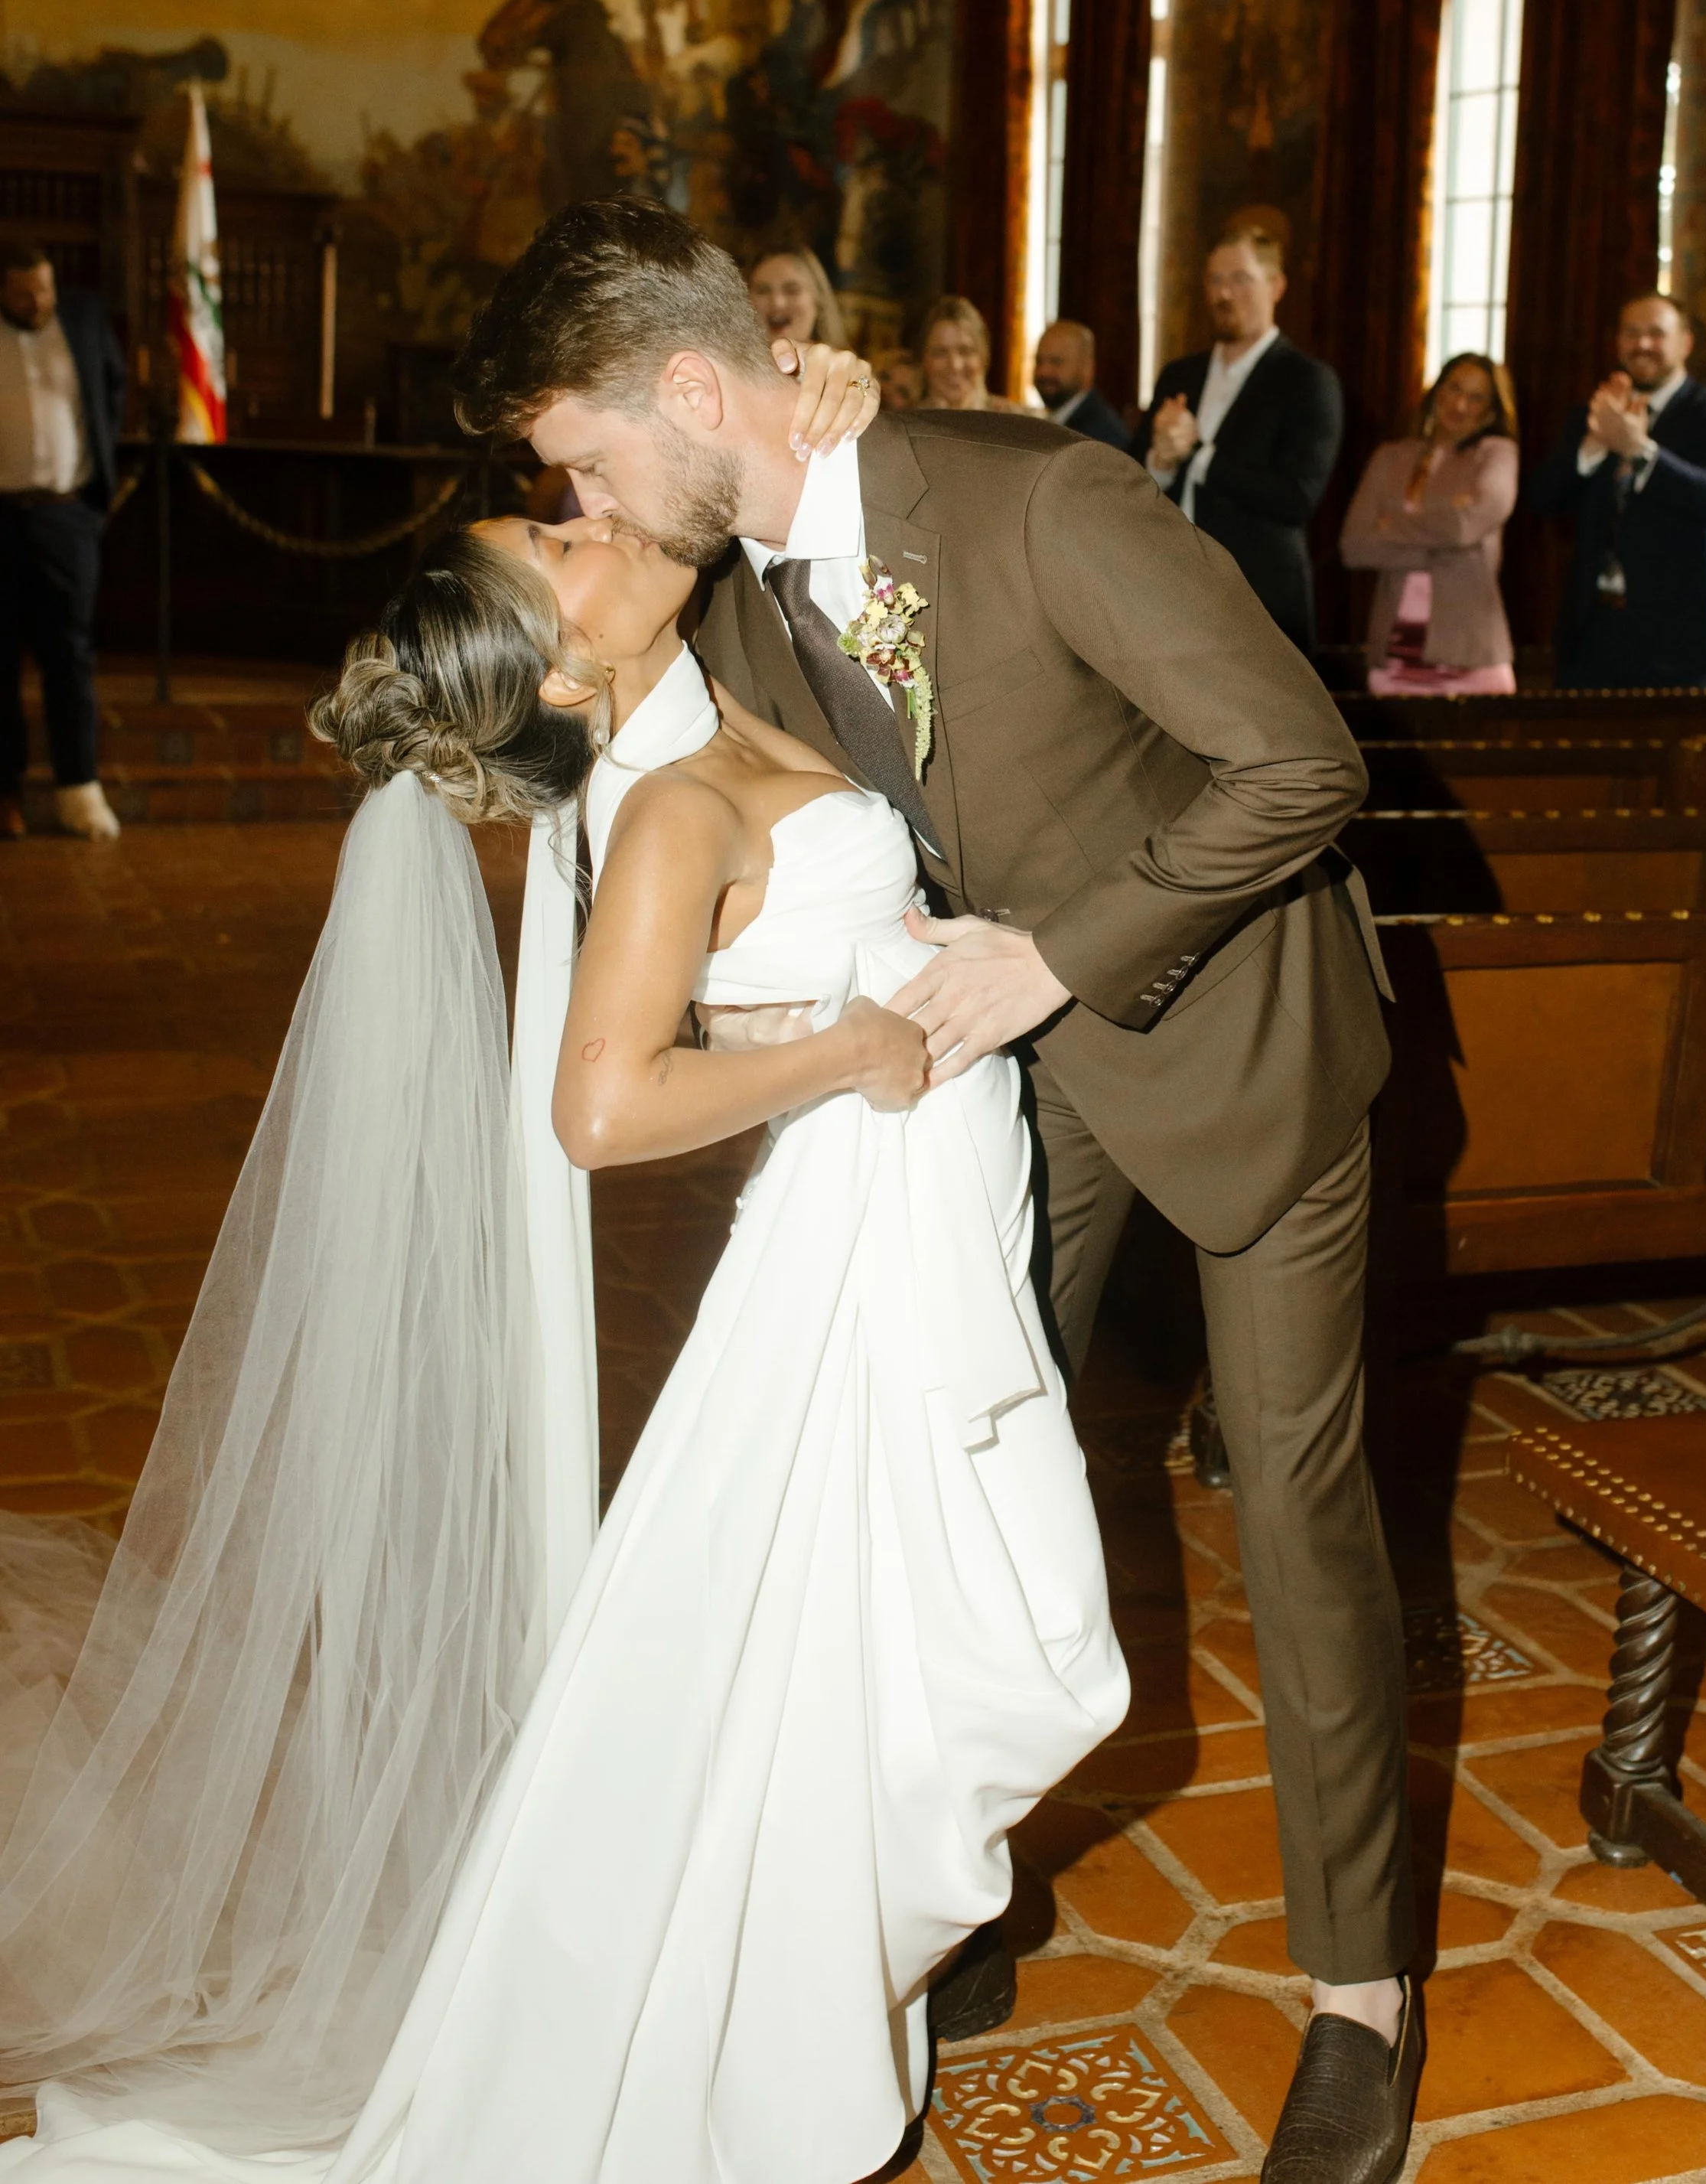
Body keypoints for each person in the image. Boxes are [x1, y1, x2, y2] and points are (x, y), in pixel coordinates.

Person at [451, 197, 1425, 2184]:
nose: (590, 500)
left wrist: (1057, 952)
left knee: (1300, 1504)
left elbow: (1300, 763)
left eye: (588, 458)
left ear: (696, 389)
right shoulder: (731, 588)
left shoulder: (1037, 497)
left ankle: (1358, 1998)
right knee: (943, 1458)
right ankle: (952, 1871)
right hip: (997, 1087)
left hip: (1235, 1045)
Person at [0, 502, 1125, 2183]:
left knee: (883, 1651)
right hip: (851, 1245)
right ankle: (771, 2026)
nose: (588, 518)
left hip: (906, 1220)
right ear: (558, 656)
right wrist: (851, 1051)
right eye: (556, 538)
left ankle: (798, 1995)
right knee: (987, 1650)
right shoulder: (665, 808)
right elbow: (596, 1108)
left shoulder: (697, 719)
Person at [1528, 292, 1706, 690]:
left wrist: (1639, 451)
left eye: (1656, 333)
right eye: (1631, 333)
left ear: (1685, 343)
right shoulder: (1595, 414)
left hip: (1682, 638)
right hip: (1591, 631)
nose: (1642, 344)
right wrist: (1594, 446)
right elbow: (1542, 499)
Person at [1136, 226, 1343, 654]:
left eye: (1240, 279)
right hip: (1168, 596)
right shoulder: (1180, 375)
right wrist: (1160, 459)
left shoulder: (1307, 382)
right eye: (1215, 280)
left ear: (1276, 285)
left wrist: (1199, 456)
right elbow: (1132, 477)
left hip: (1259, 604)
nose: (1224, 294)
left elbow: (1295, 499)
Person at [0, 240, 125, 843]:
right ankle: (6, 797)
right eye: (24, 294)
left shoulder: (83, 316)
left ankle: (80, 791)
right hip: (1, 514)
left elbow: (113, 388)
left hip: (66, 515)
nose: (38, 301)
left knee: (69, 657)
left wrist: (93, 496)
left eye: (44, 288)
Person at [1340, 355, 1520, 697]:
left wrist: (1390, 527)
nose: (1460, 404)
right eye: (1453, 388)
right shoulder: (1390, 457)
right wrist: (1451, 547)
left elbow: (1464, 528)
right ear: (1436, 390)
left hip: (1471, 657)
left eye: (1476, 397)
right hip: (1393, 657)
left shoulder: (1497, 454)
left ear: (1492, 411)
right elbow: (1355, 546)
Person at [1030, 318, 1130, 449]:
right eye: (1039, 361)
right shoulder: (1058, 419)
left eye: (1056, 362)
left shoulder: (1099, 437)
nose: (1044, 371)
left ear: (1087, 369)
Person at [916, 294, 1017, 413]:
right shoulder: (903, 427)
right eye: (941, 353)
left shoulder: (1014, 423)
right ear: (924, 359)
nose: (955, 365)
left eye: (965, 351)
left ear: (983, 356)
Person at [746, 243, 848, 352]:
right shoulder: (729, 365)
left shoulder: (845, 366)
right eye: (763, 291)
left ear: (817, 300)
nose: (778, 303)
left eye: (792, 291)